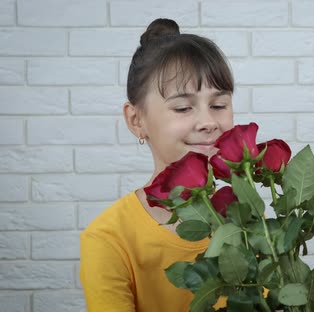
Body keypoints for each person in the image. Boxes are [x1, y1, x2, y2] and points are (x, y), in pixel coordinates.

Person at [79, 18, 234, 311]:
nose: (208, 123)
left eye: (218, 105)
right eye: (183, 107)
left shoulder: (248, 219)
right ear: (136, 120)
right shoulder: (109, 238)